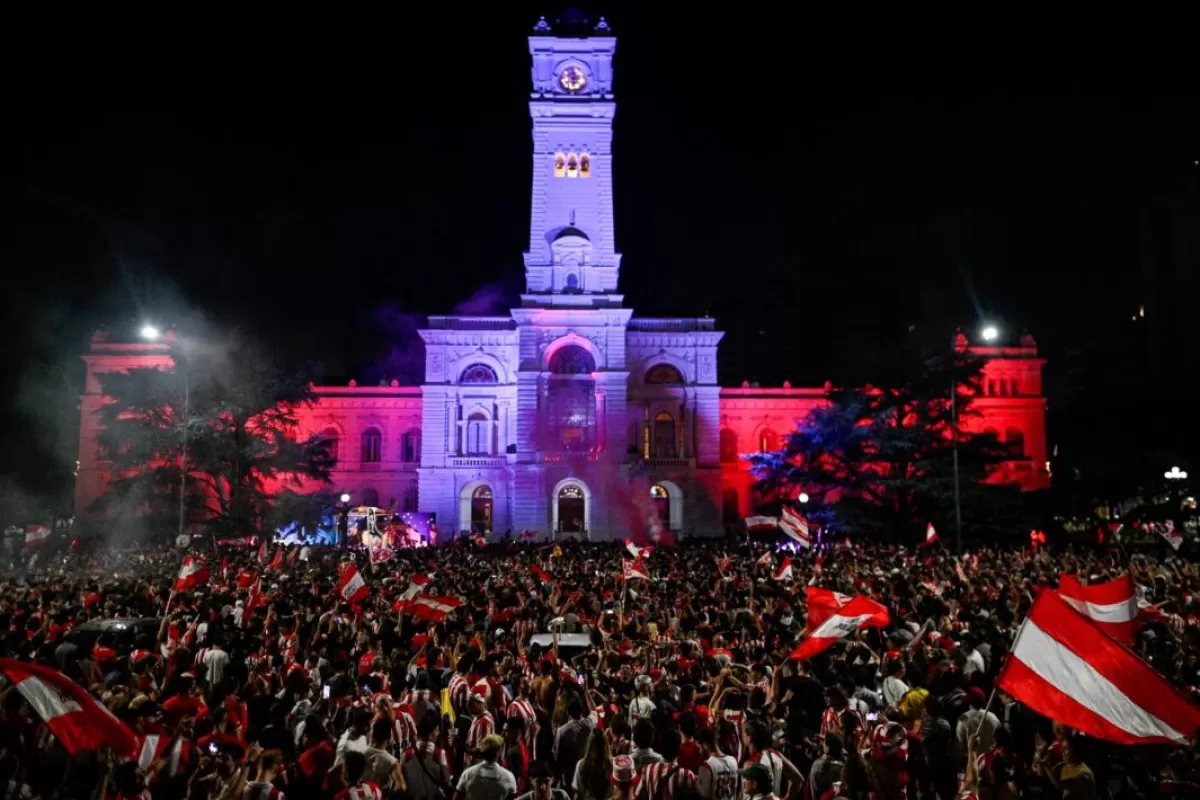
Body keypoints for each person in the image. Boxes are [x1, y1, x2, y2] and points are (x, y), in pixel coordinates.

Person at [454, 734, 517, 800]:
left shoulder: (467, 774)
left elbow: (457, 797)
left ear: (482, 751)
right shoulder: (509, 777)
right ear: (499, 752)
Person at [573, 728, 614, 800]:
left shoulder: (581, 765)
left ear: (589, 746)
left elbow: (577, 793)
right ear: (606, 745)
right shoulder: (613, 764)